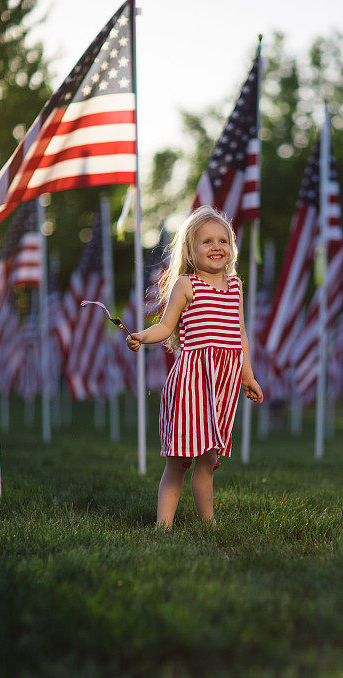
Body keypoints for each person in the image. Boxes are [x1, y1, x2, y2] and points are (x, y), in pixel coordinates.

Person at [126, 206, 263, 530]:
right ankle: (163, 527)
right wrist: (141, 336)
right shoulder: (187, 285)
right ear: (190, 249)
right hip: (192, 383)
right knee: (179, 460)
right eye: (207, 242)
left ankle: (208, 523)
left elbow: (239, 334)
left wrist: (248, 375)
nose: (217, 247)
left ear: (231, 247)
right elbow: (165, 326)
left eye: (223, 240)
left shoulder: (235, 288)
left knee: (209, 459)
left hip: (224, 384)